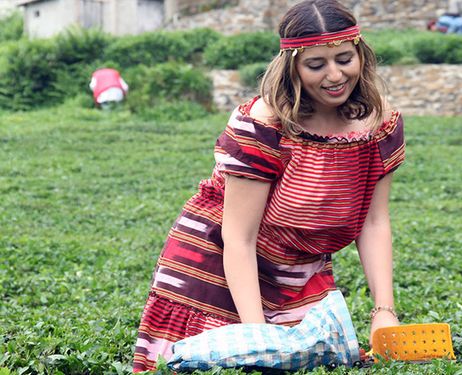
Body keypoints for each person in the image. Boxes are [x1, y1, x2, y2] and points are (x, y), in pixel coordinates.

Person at [131, 0, 405, 372]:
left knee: (313, 362)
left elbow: (373, 223)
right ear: (292, 65)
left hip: (298, 266)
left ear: (361, 54)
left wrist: (383, 312)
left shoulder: (379, 123)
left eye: (344, 59)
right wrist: (257, 336)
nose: (335, 75)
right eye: (316, 64)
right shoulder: (265, 124)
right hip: (218, 263)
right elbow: (238, 238)